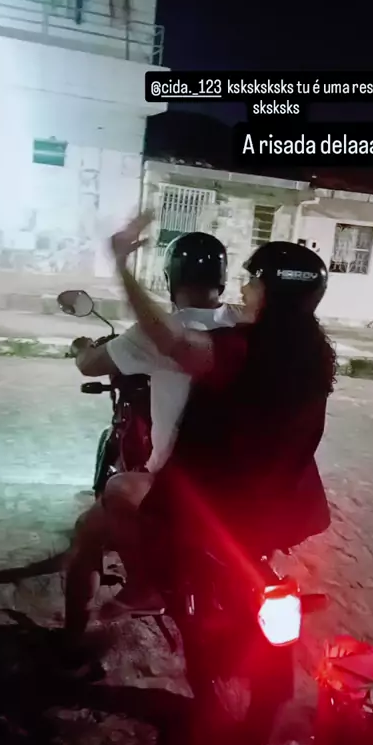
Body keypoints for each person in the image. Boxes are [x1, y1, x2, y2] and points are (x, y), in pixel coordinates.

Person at [106, 212, 336, 608]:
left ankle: (145, 585)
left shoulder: (241, 349)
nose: (243, 290)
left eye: (253, 283)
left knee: (117, 490)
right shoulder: (316, 353)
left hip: (221, 502)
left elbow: (172, 340)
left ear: (271, 294)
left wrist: (122, 266)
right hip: (286, 505)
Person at [64, 230, 246, 654]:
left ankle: (75, 645)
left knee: (88, 533)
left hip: (178, 485)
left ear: (170, 278)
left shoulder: (161, 333)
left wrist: (81, 348)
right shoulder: (246, 324)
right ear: (222, 278)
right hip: (241, 483)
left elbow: (91, 365)